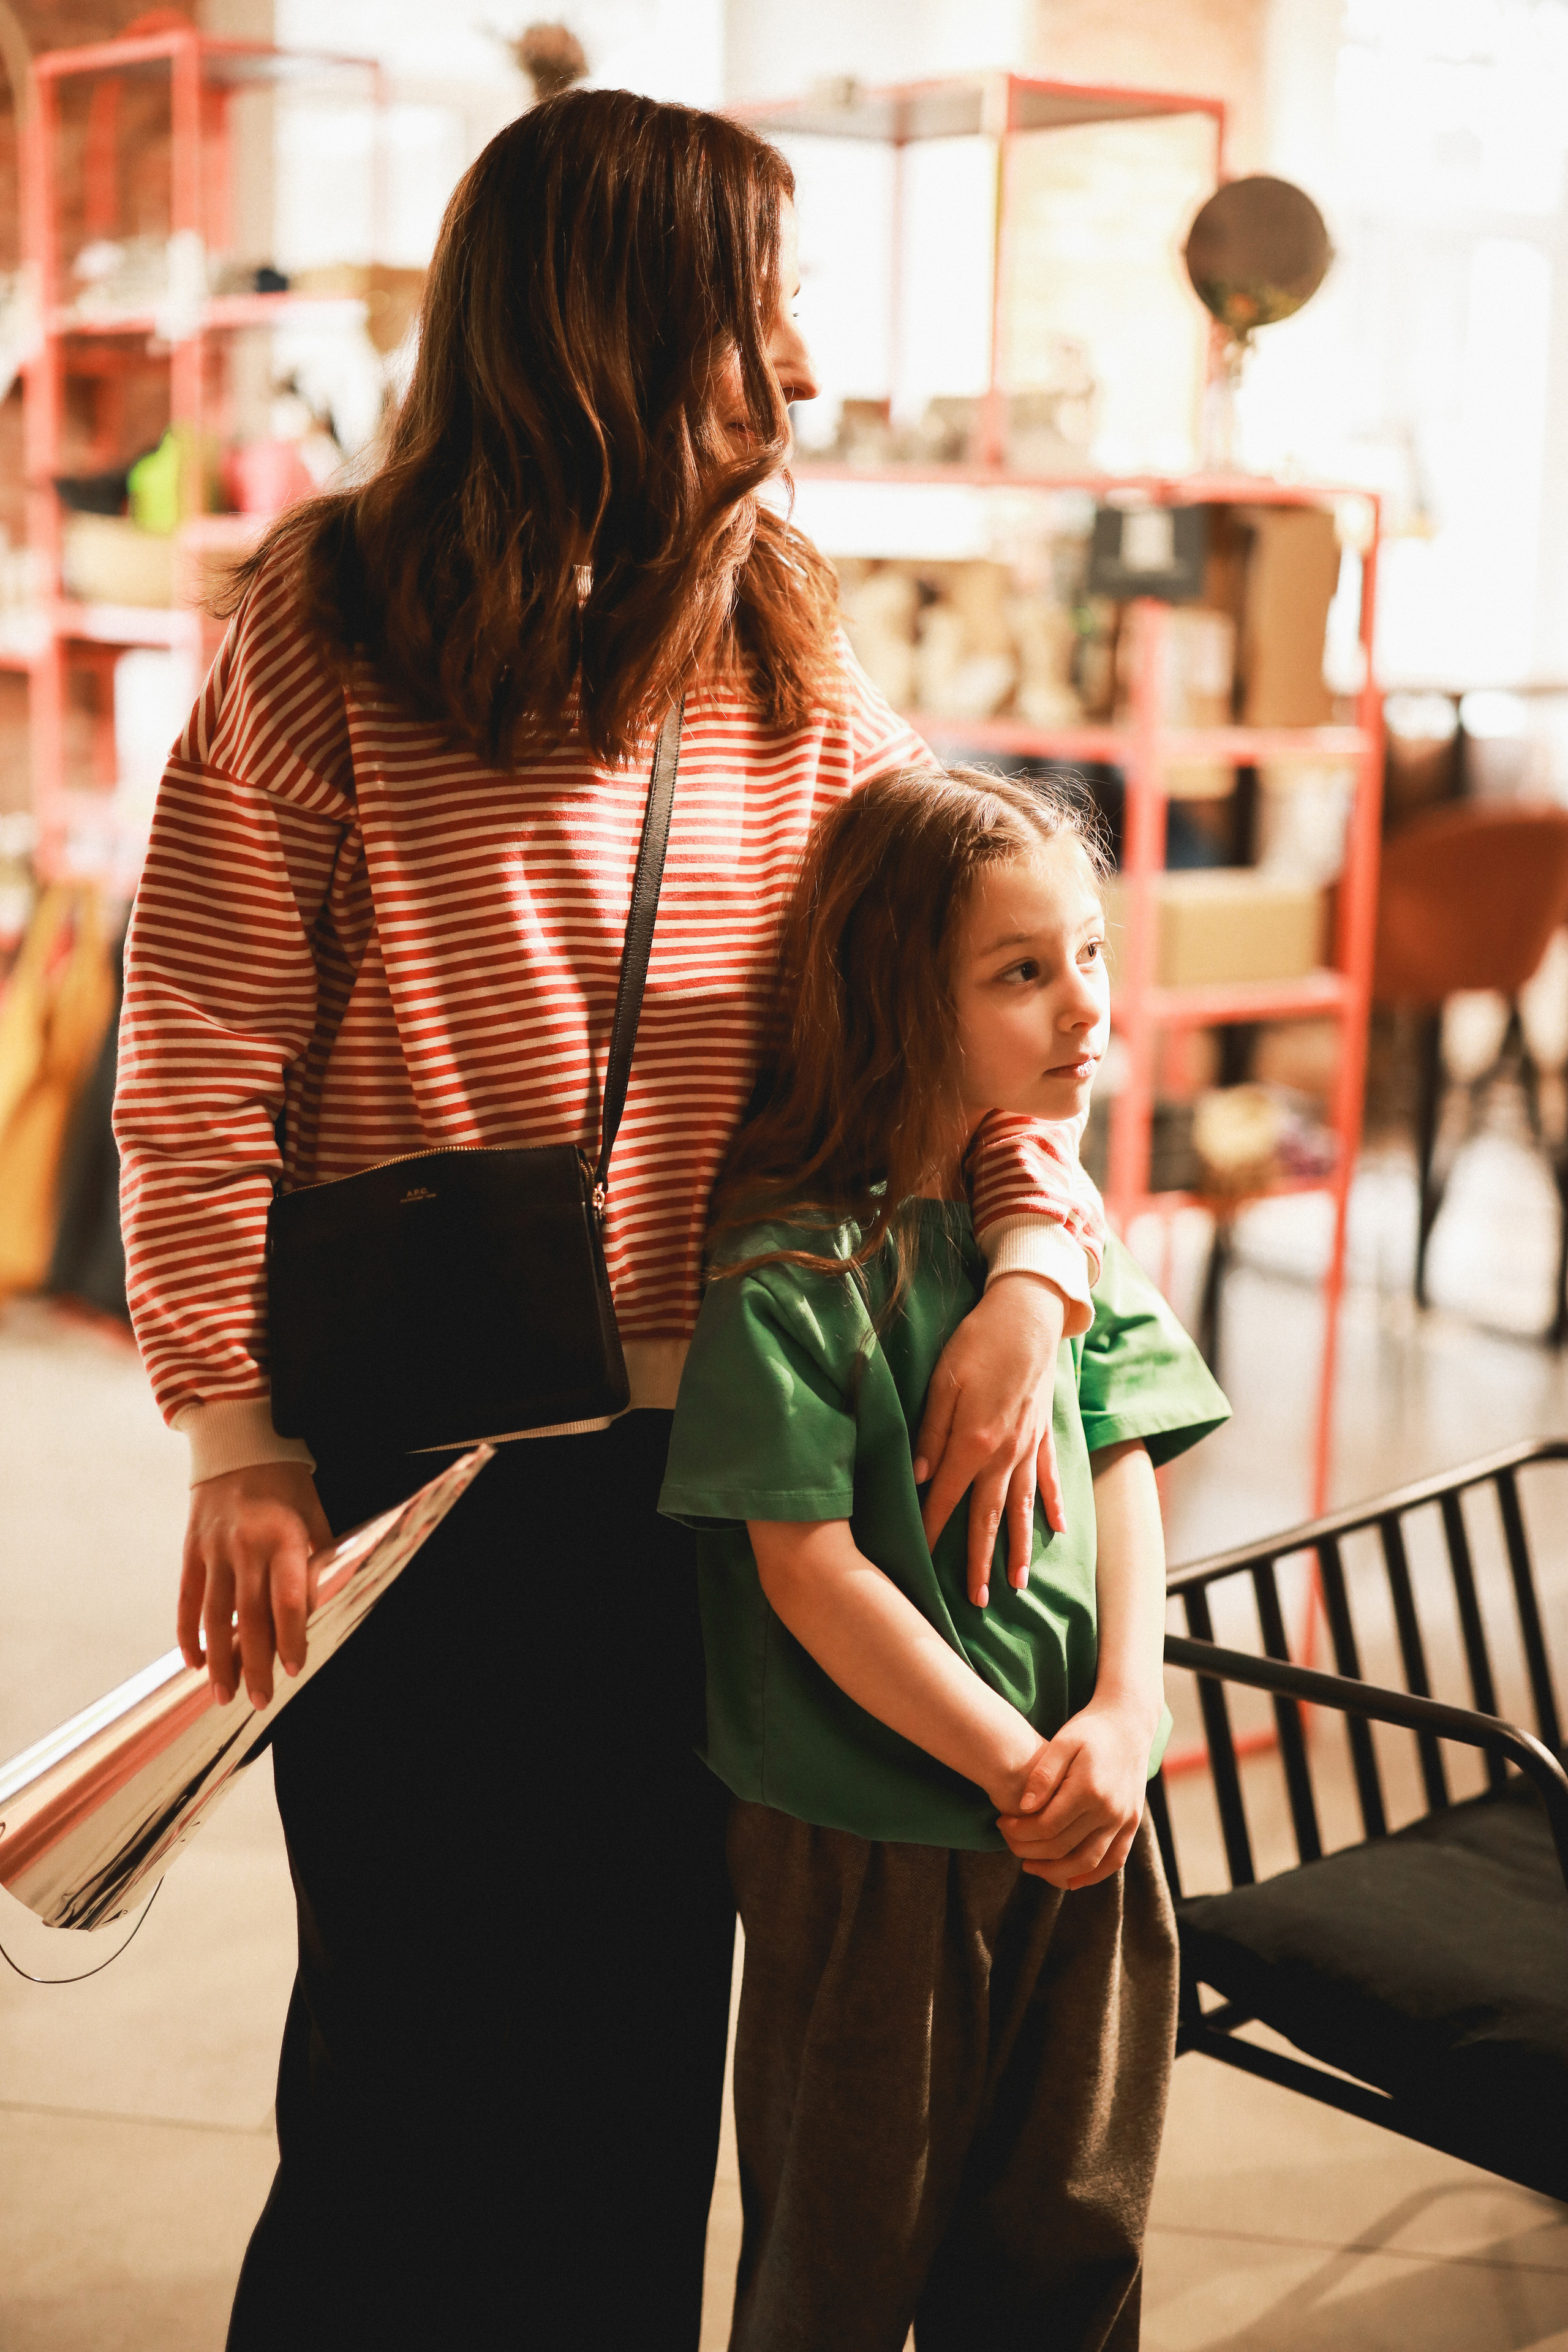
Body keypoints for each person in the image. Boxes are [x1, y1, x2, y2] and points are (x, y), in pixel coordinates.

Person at [115, 94, 1107, 2350]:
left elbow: (954, 998)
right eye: (756, 321)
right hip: (425, 1477)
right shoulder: (325, 621)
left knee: (643, 2072)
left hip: (726, 1489)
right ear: (601, 336)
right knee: (405, 2067)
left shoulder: (779, 642)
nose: (806, 378)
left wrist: (1034, 1267)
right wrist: (231, 1432)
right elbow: (194, 1059)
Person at [660, 767, 1231, 2351]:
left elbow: (1120, 1455)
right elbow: (809, 1570)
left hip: (1093, 1822)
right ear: (897, 998)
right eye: (1022, 973)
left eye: (1093, 953)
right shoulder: (787, 1273)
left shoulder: (1051, 1243)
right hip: (873, 1847)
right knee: (843, 2264)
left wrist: (1126, 1718)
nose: (1085, 1010)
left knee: (1074, 2238)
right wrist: (1011, 1765)